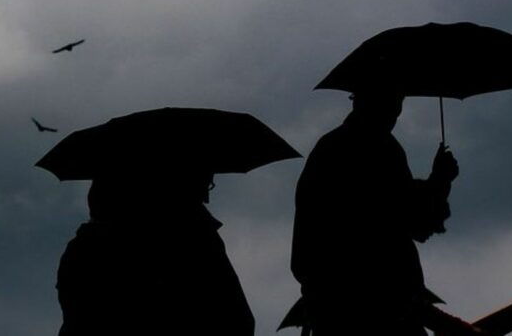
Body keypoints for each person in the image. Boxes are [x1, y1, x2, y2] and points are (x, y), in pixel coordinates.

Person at [289, 86, 481, 336]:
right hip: (385, 315)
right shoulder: (380, 149)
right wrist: (440, 180)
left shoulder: (328, 149)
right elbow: (413, 220)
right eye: (395, 100)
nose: (398, 111)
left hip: (333, 314)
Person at [56, 170, 256, 336]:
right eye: (205, 180)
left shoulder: (83, 247)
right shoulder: (191, 237)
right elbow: (236, 319)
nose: (207, 194)